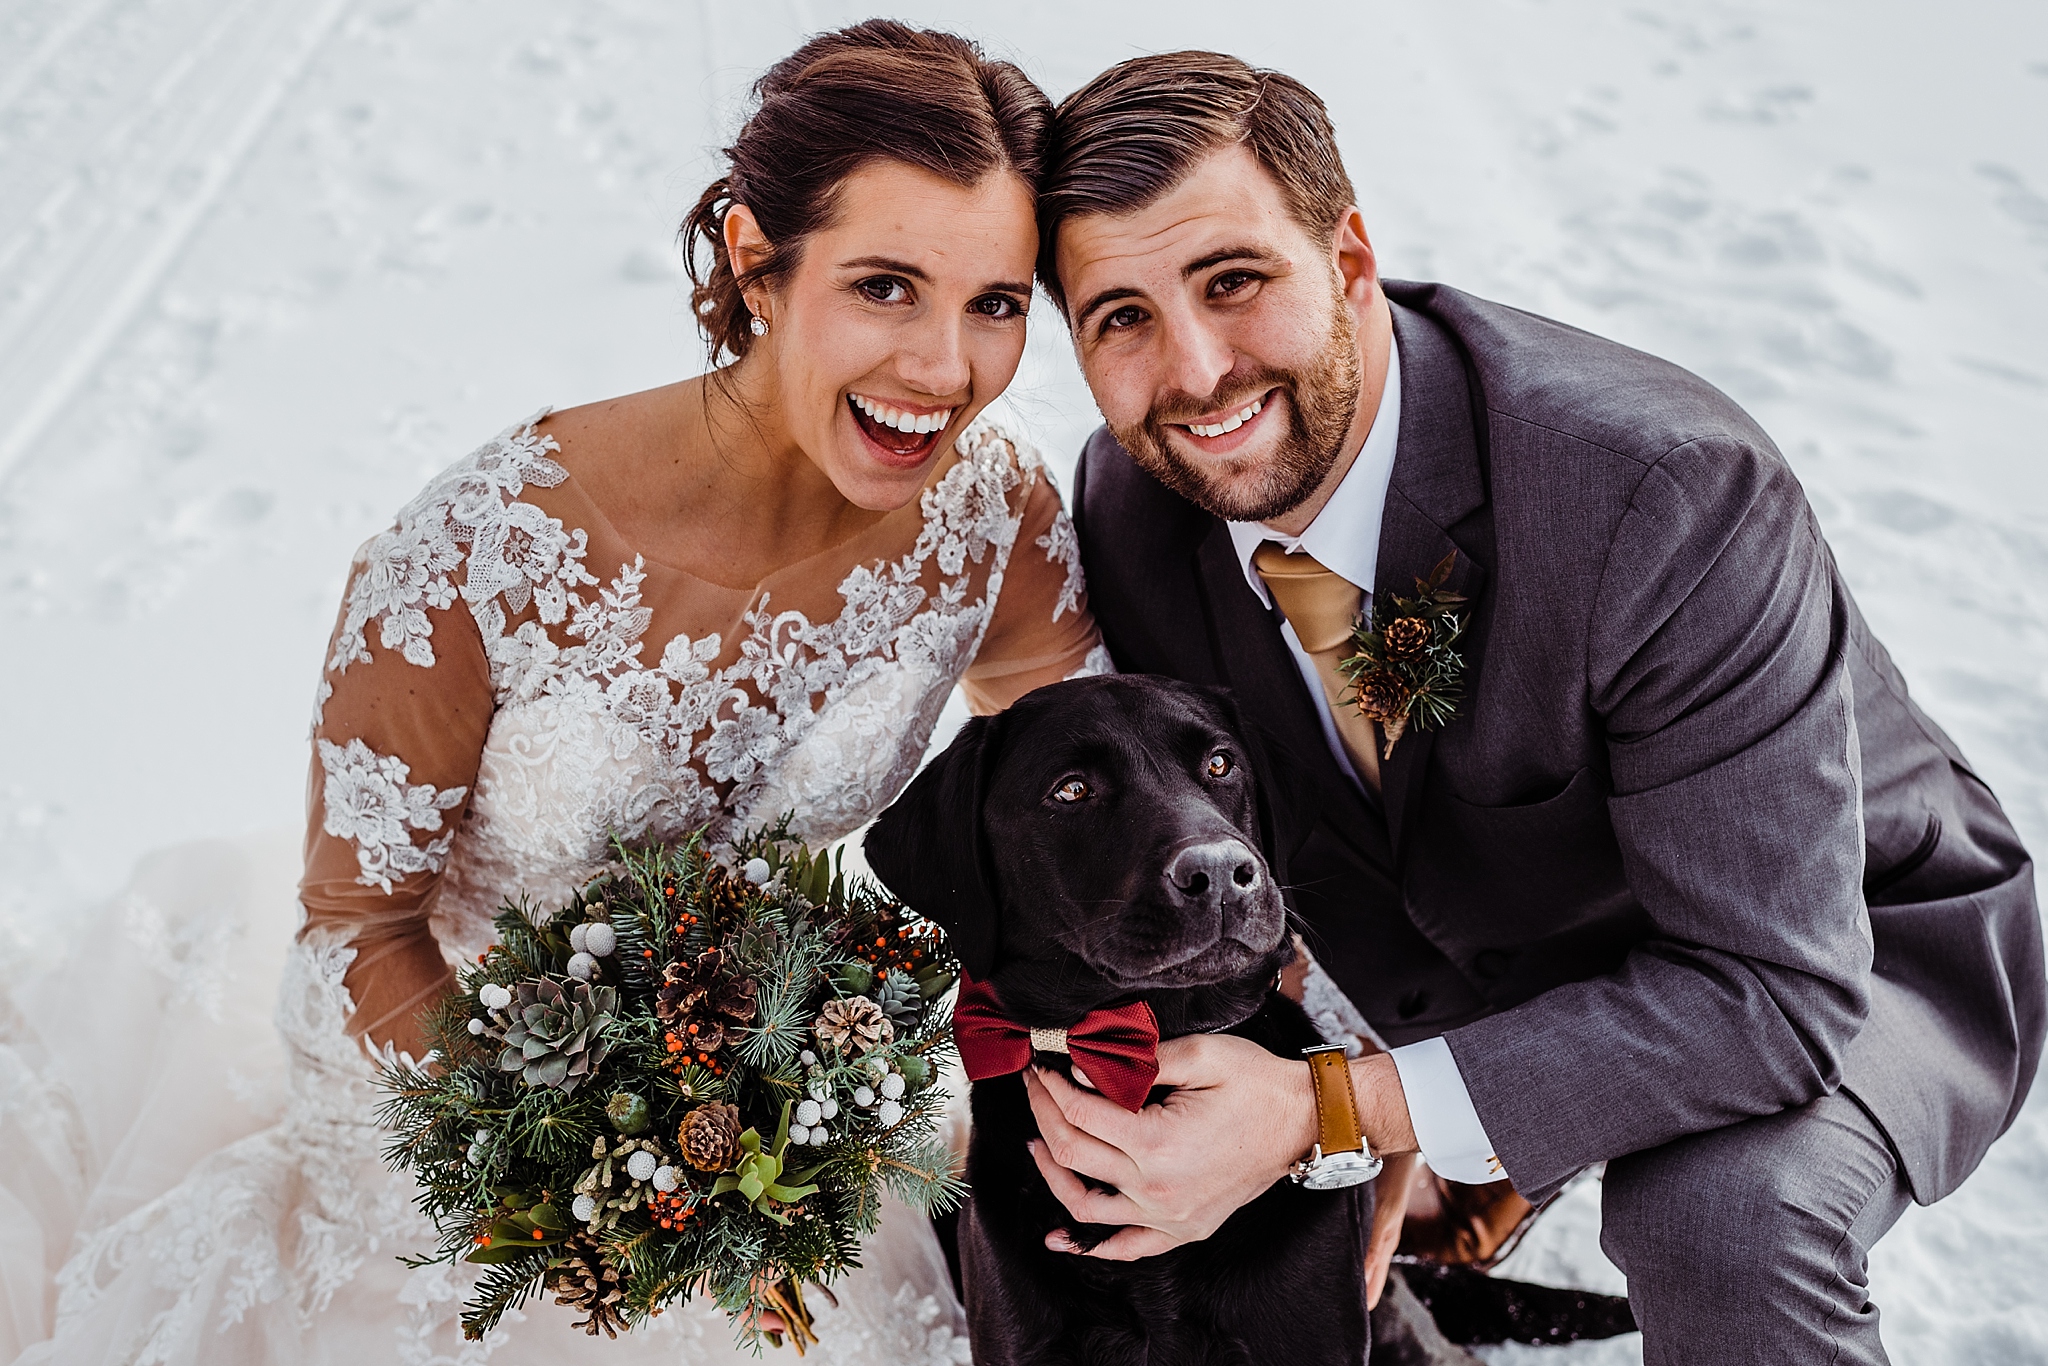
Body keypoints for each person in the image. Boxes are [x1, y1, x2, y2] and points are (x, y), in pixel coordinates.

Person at [5, 21, 1100, 1364]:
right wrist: (606, 1167)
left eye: (996, 303)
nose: (944, 368)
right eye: (885, 287)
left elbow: (1091, 792)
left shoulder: (990, 517)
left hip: (779, 1105)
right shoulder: (485, 549)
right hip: (465, 1116)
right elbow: (357, 931)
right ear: (755, 260)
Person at [1026, 50, 2044, 1364]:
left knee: (1721, 1220)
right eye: (1122, 316)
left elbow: (1773, 991)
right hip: (1500, 956)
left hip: (1841, 942)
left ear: (1349, 259)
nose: (1197, 369)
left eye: (1234, 281)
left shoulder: (1662, 493)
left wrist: (1346, 1107)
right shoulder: (1135, 504)